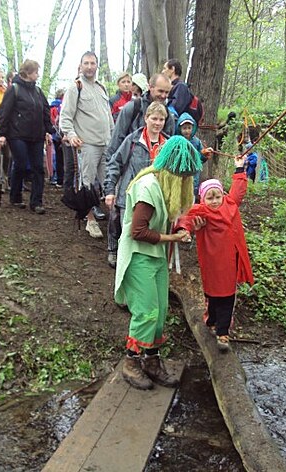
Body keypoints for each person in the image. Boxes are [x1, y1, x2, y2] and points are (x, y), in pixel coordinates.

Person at [115, 135, 201, 390]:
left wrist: (183, 228)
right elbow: (138, 231)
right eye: (183, 178)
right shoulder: (148, 187)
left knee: (160, 310)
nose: (185, 182)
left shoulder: (166, 186)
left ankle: (151, 361)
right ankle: (131, 364)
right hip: (138, 256)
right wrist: (171, 237)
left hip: (156, 256)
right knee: (146, 311)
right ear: (171, 171)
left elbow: (177, 214)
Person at [176, 156, 254, 352]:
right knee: (212, 295)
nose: (214, 201)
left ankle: (223, 333)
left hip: (228, 262)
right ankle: (211, 320)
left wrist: (239, 169)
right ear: (202, 198)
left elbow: (238, 191)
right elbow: (186, 217)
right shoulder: (202, 211)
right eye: (209, 197)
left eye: (217, 196)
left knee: (227, 296)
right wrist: (183, 230)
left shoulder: (230, 205)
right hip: (211, 262)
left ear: (223, 195)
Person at [104, 102, 169, 269]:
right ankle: (114, 251)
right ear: (146, 118)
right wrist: (110, 190)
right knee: (124, 227)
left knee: (148, 227)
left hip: (156, 195)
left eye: (161, 119)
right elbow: (115, 163)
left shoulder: (168, 144)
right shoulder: (133, 140)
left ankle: (142, 260)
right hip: (131, 193)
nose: (157, 123)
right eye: (154, 118)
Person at [59, 51, 113, 238]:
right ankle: (90, 220)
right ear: (80, 65)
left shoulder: (101, 89)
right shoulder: (76, 88)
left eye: (93, 63)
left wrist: (113, 138)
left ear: (97, 65)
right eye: (86, 63)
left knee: (109, 182)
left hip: (105, 144)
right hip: (87, 144)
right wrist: (71, 135)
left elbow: (108, 117)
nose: (90, 67)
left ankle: (115, 219)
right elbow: (65, 116)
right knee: (86, 184)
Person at [0, 59, 53, 214]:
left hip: (36, 135)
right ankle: (15, 196)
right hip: (17, 134)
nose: (38, 74)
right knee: (20, 164)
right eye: (36, 72)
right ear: (28, 73)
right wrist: (1, 133)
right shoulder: (14, 89)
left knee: (38, 168)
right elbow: (4, 111)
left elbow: (45, 111)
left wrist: (49, 130)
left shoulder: (38, 91)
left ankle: (36, 202)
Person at [175, 112, 212, 198]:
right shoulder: (176, 142)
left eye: (189, 128)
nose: (187, 130)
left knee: (192, 193)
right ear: (179, 128)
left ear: (193, 128)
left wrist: (205, 154)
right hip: (180, 175)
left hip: (194, 174)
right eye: (184, 128)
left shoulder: (197, 142)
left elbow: (201, 159)